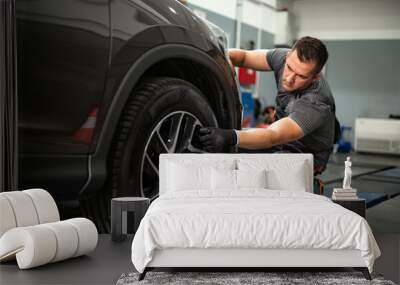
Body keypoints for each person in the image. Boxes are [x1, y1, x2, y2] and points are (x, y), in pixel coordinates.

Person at [199, 36, 339, 174]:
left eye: (301, 76)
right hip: (279, 135)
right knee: (229, 150)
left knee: (263, 173)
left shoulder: (316, 102)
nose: (289, 79)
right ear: (288, 56)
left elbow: (274, 135)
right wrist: (210, 58)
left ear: (315, 77)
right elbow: (243, 57)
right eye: (289, 68)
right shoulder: (282, 57)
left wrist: (231, 137)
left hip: (307, 150)